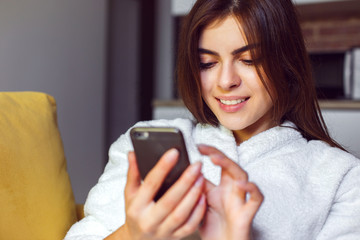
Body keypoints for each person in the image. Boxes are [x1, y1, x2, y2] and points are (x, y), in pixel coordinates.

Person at [65, 0, 360, 239]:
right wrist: (131, 235)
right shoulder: (142, 143)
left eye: (249, 60)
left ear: (286, 63)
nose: (225, 81)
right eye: (207, 63)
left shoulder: (340, 177)